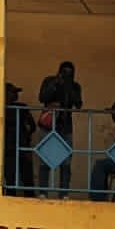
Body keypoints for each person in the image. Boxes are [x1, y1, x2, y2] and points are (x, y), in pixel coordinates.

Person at [36, 60, 83, 191]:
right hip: (48, 126)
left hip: (65, 128)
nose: (67, 75)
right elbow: (42, 98)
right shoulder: (49, 80)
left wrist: (69, 88)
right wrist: (55, 84)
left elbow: (79, 104)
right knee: (44, 159)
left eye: (70, 73)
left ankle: (64, 193)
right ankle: (43, 193)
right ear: (59, 71)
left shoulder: (75, 86)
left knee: (66, 162)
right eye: (64, 72)